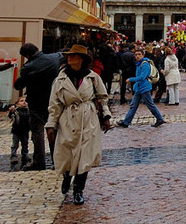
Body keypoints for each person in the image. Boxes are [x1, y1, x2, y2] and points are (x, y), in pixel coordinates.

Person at [46, 44, 112, 204]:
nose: (70, 59)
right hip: (68, 119)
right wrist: (51, 123)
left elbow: (102, 97)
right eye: (69, 56)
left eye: (73, 56)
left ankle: (78, 189)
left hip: (88, 118)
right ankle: (67, 177)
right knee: (67, 153)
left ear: (82, 59)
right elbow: (54, 103)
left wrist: (106, 116)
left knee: (85, 156)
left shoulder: (93, 77)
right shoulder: (60, 79)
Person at [15, 44, 62, 171]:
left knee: (37, 131)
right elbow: (63, 56)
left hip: (36, 102)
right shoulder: (54, 58)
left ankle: (39, 161)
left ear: (27, 55)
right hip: (53, 99)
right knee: (54, 129)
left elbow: (18, 85)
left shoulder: (28, 67)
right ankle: (57, 160)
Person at [115, 48, 165, 128]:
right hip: (139, 88)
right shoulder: (138, 64)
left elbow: (142, 77)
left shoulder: (145, 64)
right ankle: (126, 122)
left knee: (150, 105)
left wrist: (131, 79)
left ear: (143, 55)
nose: (137, 56)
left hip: (144, 87)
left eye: (139, 54)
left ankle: (159, 119)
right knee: (133, 105)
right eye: (136, 54)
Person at [8, 96, 31, 164]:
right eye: (21, 101)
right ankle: (13, 155)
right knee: (15, 144)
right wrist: (11, 111)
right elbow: (10, 116)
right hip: (16, 130)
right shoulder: (16, 110)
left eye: (25, 101)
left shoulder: (28, 110)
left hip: (25, 130)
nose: (24, 102)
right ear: (17, 104)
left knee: (25, 143)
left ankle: (25, 154)